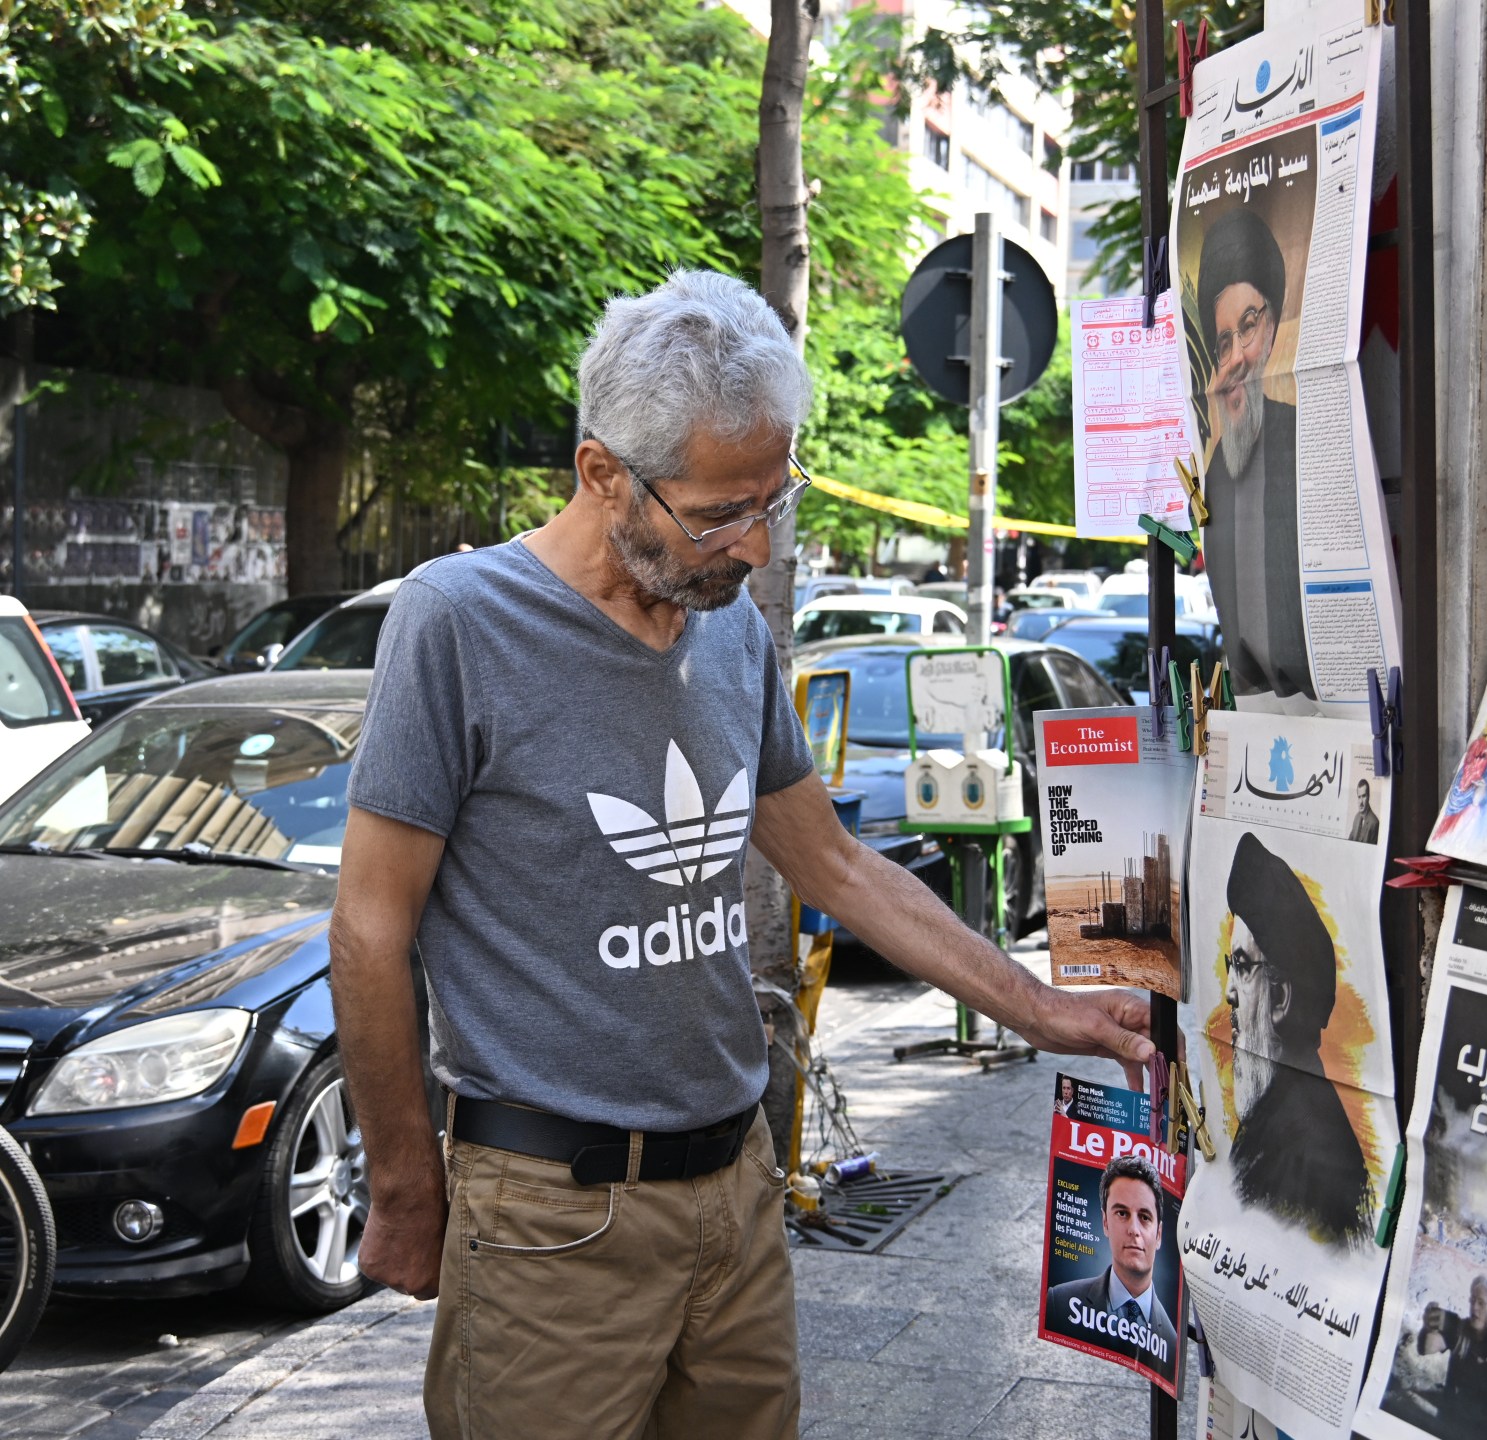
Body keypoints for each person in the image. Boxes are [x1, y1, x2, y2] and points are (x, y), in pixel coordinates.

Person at [330, 273, 1158, 1440]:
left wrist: (1043, 1008)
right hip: (551, 1217)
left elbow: (840, 867)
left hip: (735, 1191)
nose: (756, 545)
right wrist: (404, 1186)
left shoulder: (732, 635)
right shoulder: (459, 620)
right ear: (603, 474)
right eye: (721, 513)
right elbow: (370, 926)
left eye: (777, 498)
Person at [1221, 831, 1372, 1242]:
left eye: (1241, 966)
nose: (1228, 993)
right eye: (1228, 965)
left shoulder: (1311, 1153)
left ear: (1282, 997)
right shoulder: (1273, 1120)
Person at [1194, 207, 1311, 704]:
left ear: (1272, 329)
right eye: (1224, 341)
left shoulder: (1304, 435)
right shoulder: (1217, 468)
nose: (1237, 354)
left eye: (1248, 325)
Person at [1044, 1154, 1179, 1366]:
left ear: (1159, 1234)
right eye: (1122, 1213)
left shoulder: (1172, 1343)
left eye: (1144, 1217)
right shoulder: (1059, 1304)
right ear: (1105, 1222)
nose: (1134, 1230)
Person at [1347, 776, 1381, 843]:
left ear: (1368, 797)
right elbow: (1349, 842)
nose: (1361, 802)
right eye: (1359, 797)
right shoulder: (1356, 817)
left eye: (1364, 796)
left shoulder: (1374, 823)